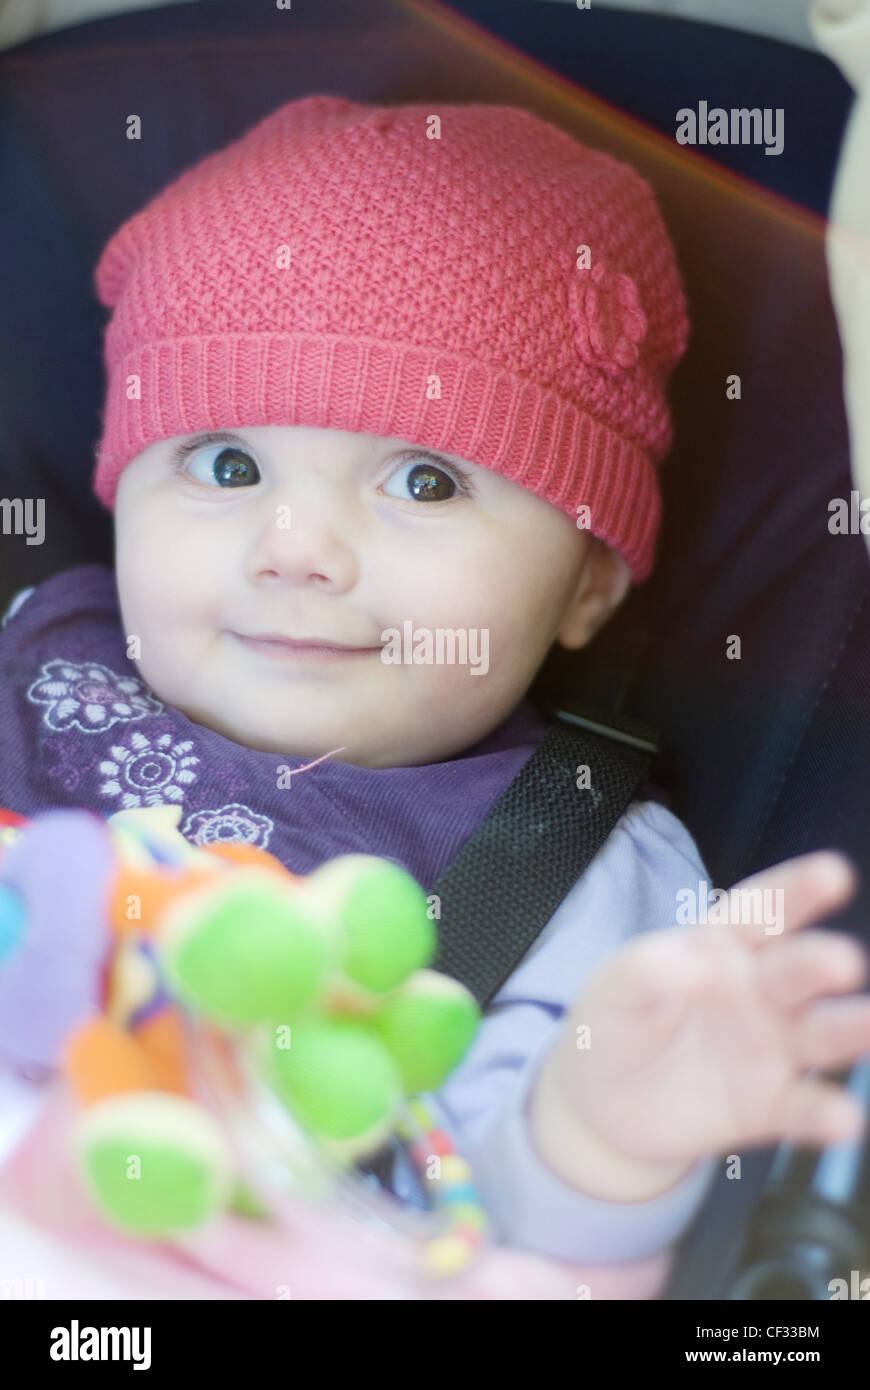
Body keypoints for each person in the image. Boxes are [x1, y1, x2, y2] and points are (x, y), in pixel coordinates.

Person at [2, 95, 869, 1290]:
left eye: (422, 481)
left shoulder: (569, 858)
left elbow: (491, 1231)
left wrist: (604, 1132)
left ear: (585, 585)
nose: (298, 548)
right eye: (229, 464)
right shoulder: (36, 649)